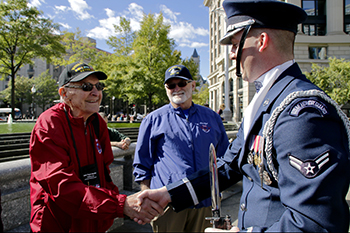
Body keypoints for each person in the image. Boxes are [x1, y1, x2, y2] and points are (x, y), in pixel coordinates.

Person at [136, 1, 350, 232]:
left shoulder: (302, 112)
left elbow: (315, 223)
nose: (231, 55)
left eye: (236, 44)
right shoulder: (267, 101)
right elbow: (229, 166)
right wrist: (169, 194)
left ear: (262, 41)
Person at [29, 62, 162, 232]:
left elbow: (104, 176)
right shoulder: (49, 124)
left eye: (98, 86)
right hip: (59, 225)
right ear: (64, 93)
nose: (95, 92)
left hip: (94, 222)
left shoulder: (97, 123)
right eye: (86, 87)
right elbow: (61, 186)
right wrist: (122, 205)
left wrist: (129, 206)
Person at [133, 64, 230, 232]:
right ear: (166, 89)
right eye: (171, 85)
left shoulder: (212, 117)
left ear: (192, 85)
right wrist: (147, 195)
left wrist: (217, 193)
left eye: (182, 83)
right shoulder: (153, 120)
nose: (176, 88)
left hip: (205, 201)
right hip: (168, 204)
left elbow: (224, 158)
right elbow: (142, 163)